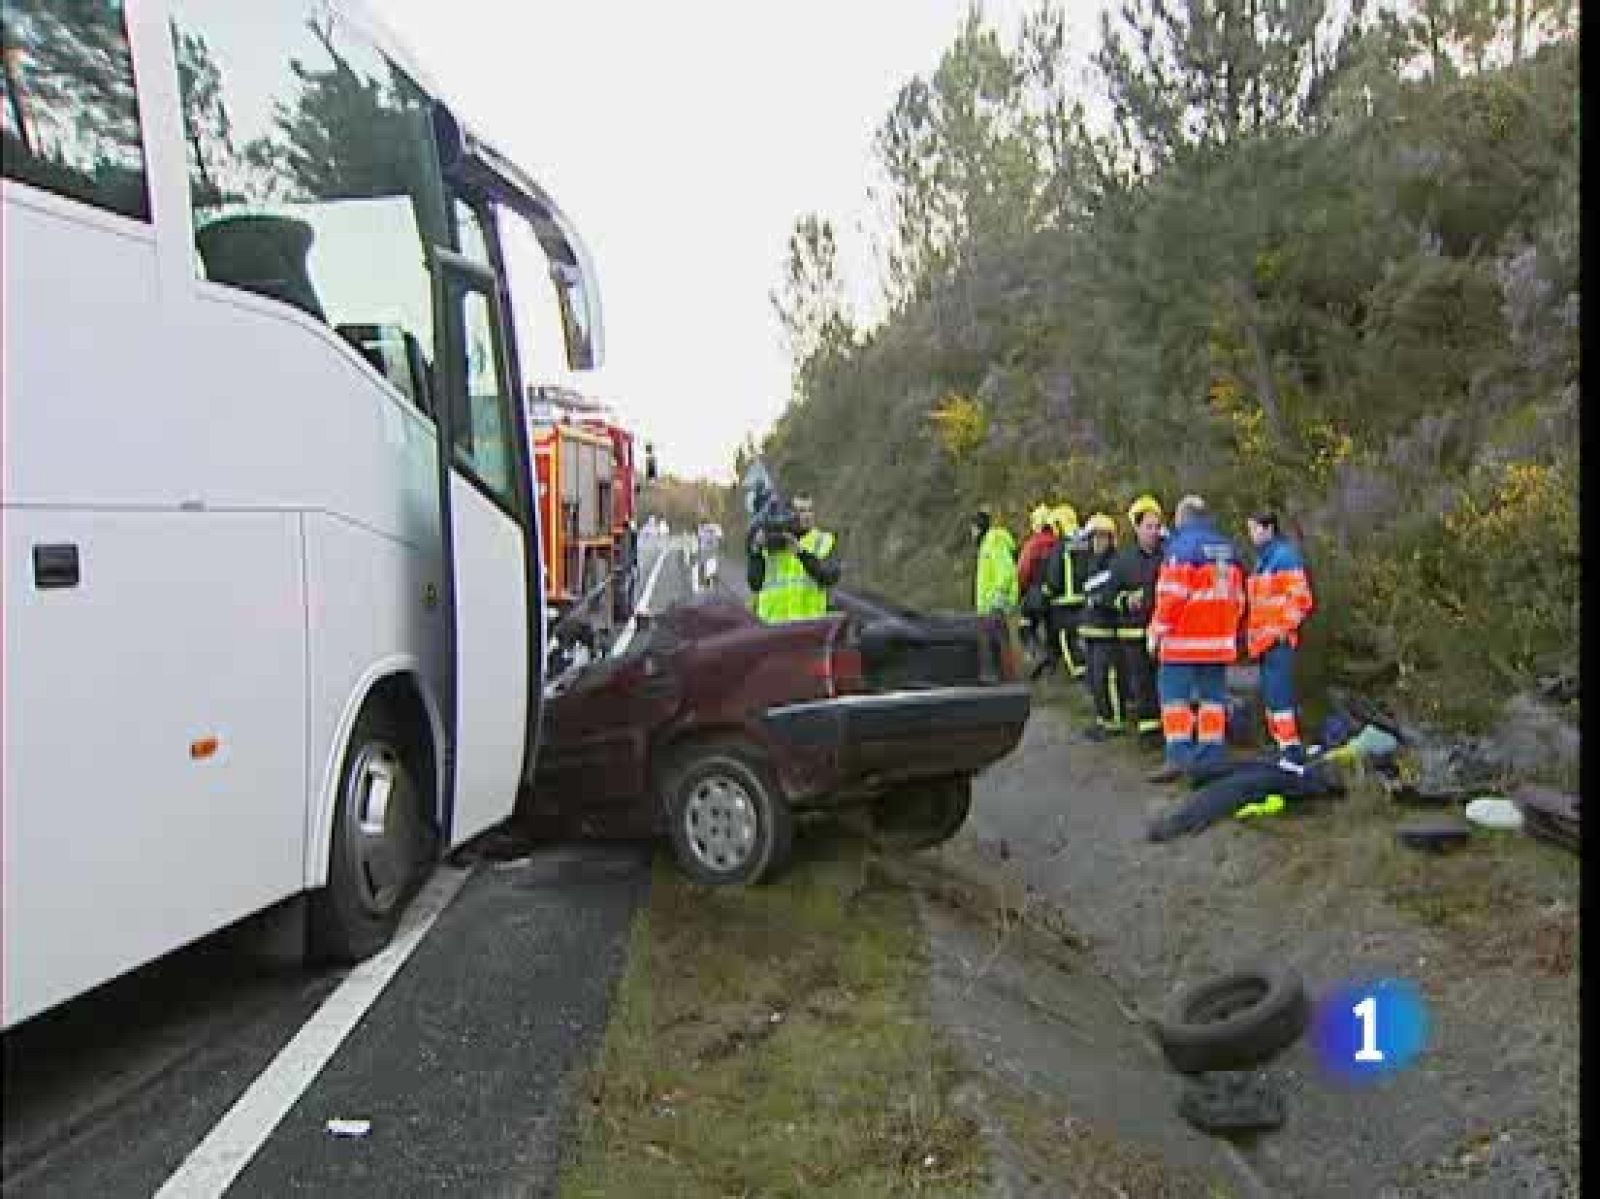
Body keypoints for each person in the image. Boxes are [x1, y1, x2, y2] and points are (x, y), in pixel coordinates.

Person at [1147, 494, 1246, 783]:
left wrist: (1156, 632)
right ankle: (1210, 756)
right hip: (1218, 643)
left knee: (1174, 699)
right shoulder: (1228, 549)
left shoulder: (1181, 548)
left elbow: (1172, 597)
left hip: (1183, 642)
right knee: (1213, 700)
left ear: (1182, 517)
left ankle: (1178, 757)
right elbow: (1239, 597)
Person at [1245, 510, 1315, 764]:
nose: (1251, 535)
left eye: (1254, 529)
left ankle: (1290, 749)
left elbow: (1301, 600)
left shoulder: (1284, 558)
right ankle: (1281, 746)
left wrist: (1283, 629)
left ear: (1268, 529)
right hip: (1265, 642)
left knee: (1280, 696)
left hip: (1278, 641)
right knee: (1273, 697)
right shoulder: (1263, 561)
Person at [1108, 494, 1166, 748]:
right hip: (1133, 633)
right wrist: (1125, 600)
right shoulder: (1123, 561)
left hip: (1162, 633)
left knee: (1163, 682)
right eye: (1148, 526)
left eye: (1156, 526)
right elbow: (1108, 595)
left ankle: (1167, 728)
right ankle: (1148, 733)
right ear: (1137, 528)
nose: (1153, 532)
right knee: (1141, 683)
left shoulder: (1168, 557)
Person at [746, 494, 840, 622]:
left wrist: (801, 553)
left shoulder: (824, 540)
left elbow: (830, 576)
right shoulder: (771, 542)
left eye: (809, 510)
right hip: (773, 626)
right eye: (800, 511)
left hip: (810, 626)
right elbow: (755, 584)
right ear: (787, 515)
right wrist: (756, 551)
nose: (806, 515)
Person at [1078, 514, 1126, 739]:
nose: (1097, 542)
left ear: (1111, 539)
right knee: (1095, 679)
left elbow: (1110, 595)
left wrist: (1101, 600)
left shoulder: (1115, 563)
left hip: (1107, 631)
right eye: (1094, 538)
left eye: (1102, 537)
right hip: (1091, 630)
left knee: (1109, 678)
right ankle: (1102, 720)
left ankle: (1115, 721)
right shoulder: (1091, 563)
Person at [1040, 505, 1088, 681]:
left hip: (1063, 603)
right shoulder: (1085, 543)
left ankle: (1078, 674)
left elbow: (1054, 576)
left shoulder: (1060, 547)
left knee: (1066, 638)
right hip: (1084, 600)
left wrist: (1046, 591)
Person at [1015, 505, 1059, 665]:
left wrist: (1021, 592)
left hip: (1036, 592)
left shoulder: (1033, 544)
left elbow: (1023, 570)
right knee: (1052, 629)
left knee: (1025, 625)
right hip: (1057, 596)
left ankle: (1038, 655)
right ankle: (1054, 660)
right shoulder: (1059, 543)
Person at [971, 509, 1019, 615]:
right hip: (989, 607)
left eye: (973, 528)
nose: (972, 532)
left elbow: (1005, 569)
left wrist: (999, 595)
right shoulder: (985, 545)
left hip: (995, 605)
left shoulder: (994, 542)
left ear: (979, 528)